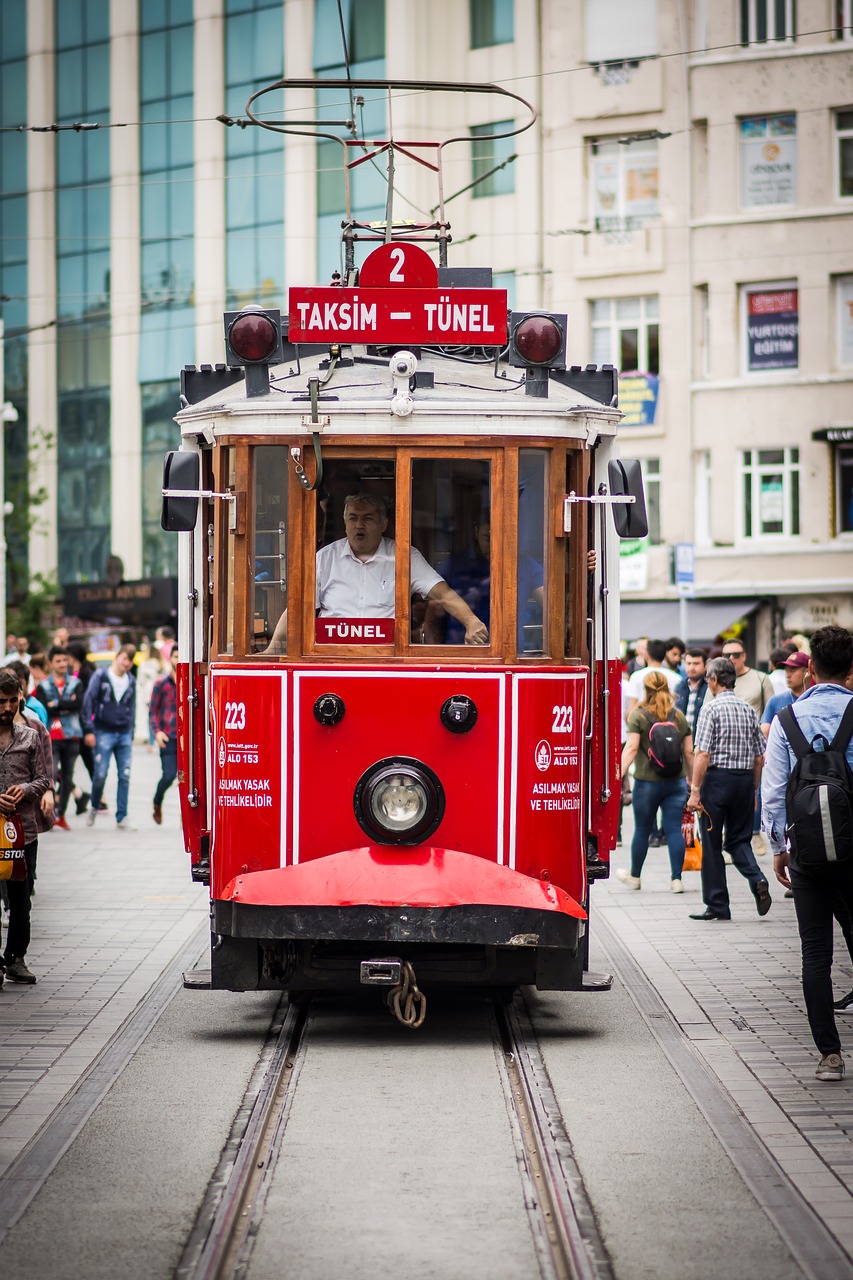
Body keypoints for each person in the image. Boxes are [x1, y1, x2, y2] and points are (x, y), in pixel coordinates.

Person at [763, 625, 853, 1082]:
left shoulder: (787, 719)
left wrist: (779, 848)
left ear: (811, 668)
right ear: (852, 669)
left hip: (808, 853)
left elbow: (774, 792)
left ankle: (830, 1055)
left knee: (815, 953)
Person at [265, 493, 488, 651]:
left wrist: (472, 622)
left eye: (367, 518)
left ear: (383, 524)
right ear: (344, 524)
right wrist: (273, 649)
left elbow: (443, 594)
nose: (359, 525)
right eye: (353, 518)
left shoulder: (404, 556)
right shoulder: (325, 558)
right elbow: (298, 607)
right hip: (332, 657)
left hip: (387, 658)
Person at [686, 656, 770, 921]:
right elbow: (760, 756)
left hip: (716, 782)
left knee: (711, 844)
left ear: (713, 680)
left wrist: (695, 791)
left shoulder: (710, 709)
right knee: (738, 840)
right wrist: (754, 789)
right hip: (744, 781)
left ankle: (718, 904)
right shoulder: (747, 709)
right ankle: (757, 878)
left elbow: (702, 754)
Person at [617, 670, 694, 893]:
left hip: (646, 783)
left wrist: (617, 775)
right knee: (672, 829)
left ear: (646, 689)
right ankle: (676, 880)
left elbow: (631, 748)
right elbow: (689, 752)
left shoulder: (638, 715)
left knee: (641, 829)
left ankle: (635, 876)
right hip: (675, 782)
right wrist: (691, 780)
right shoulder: (677, 715)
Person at [0, 669, 51, 986]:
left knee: (21, 899)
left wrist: (27, 790)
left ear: (20, 700)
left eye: (11, 701)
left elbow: (44, 779)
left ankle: (16, 959)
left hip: (23, 831)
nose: (6, 707)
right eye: (1, 701)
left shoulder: (30, 737)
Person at [82, 645, 137, 830]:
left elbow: (133, 706)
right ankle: (94, 805)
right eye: (124, 658)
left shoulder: (131, 680)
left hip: (124, 732)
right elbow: (88, 701)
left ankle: (122, 817)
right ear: (117, 657)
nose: (126, 663)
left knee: (125, 775)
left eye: (130, 660)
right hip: (103, 731)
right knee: (100, 774)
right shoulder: (101, 676)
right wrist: (88, 729)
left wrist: (132, 731)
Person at [34, 646, 84, 832]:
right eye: (58, 661)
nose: (63, 664)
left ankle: (61, 815)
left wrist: (56, 704)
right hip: (50, 737)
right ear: (51, 663)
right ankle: (50, 814)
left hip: (71, 736)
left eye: (65, 660)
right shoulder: (43, 685)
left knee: (68, 777)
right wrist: (65, 704)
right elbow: (45, 709)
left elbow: (78, 703)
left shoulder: (76, 683)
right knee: (51, 775)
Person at [149, 649, 178, 825]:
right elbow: (152, 710)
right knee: (169, 775)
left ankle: (186, 819)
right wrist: (157, 732)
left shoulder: (189, 682)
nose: (179, 659)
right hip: (168, 737)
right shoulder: (161, 683)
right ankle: (157, 802)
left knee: (187, 781)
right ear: (170, 659)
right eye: (176, 656)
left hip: (187, 739)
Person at [625, 638, 681, 715]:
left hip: (643, 722)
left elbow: (631, 707)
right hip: (668, 720)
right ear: (664, 656)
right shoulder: (677, 678)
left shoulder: (636, 676)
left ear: (647, 656)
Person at [675, 647, 709, 737]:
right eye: (688, 663)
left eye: (696, 664)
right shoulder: (679, 687)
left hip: (701, 742)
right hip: (681, 741)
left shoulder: (710, 687)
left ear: (705, 665)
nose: (691, 667)